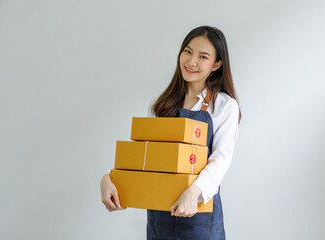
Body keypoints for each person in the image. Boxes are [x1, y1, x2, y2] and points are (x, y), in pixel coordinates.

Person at [100, 25, 241, 240]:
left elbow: (220, 161)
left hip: (198, 214)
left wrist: (194, 192)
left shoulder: (224, 107)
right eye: (187, 51)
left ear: (217, 64)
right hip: (160, 213)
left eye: (203, 57)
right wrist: (109, 179)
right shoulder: (165, 105)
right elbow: (150, 160)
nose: (191, 62)